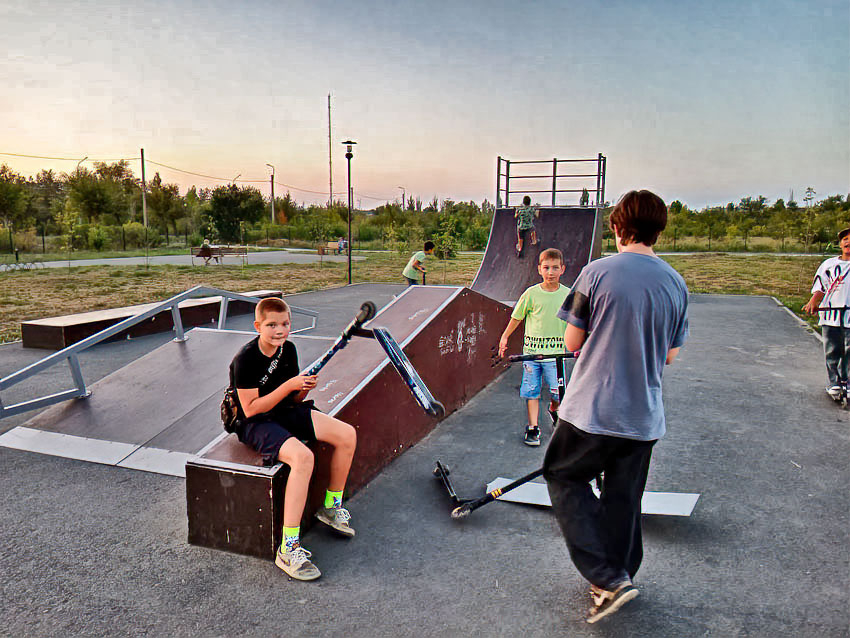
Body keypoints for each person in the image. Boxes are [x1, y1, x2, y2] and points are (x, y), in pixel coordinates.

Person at [543, 190, 689, 623]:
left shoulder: (596, 273)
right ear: (659, 230)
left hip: (593, 408)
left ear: (617, 227)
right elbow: (669, 356)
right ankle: (620, 576)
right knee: (623, 497)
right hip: (643, 415)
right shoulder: (675, 282)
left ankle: (605, 575)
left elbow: (572, 342)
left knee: (563, 476)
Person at [229, 297, 358, 581]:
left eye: (285, 324)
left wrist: (303, 387)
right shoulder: (245, 359)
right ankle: (288, 547)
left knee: (347, 434)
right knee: (303, 458)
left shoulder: (288, 350)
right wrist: (289, 384)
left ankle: (331, 506)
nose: (280, 330)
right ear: (258, 326)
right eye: (272, 325)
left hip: (284, 411)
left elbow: (293, 398)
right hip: (255, 422)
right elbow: (251, 409)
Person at [498, 248, 570, 446]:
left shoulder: (567, 295)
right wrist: (505, 337)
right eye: (546, 268)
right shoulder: (531, 294)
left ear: (562, 269)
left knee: (557, 393)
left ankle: (553, 409)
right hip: (531, 354)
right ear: (539, 269)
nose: (551, 272)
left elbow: (576, 322)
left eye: (555, 268)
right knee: (532, 391)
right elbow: (517, 317)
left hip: (556, 355)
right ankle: (533, 427)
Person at [802, 227, 850, 402]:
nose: (848, 242)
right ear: (840, 244)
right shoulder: (829, 264)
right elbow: (820, 287)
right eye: (845, 239)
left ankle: (848, 382)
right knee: (832, 350)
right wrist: (813, 302)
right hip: (831, 317)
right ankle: (835, 382)